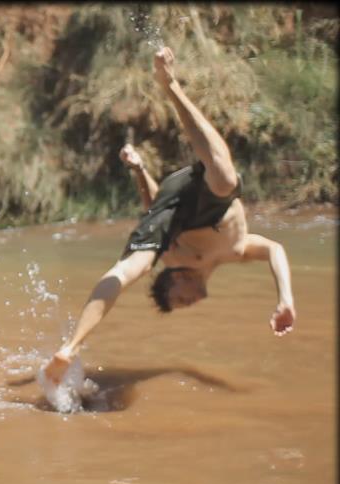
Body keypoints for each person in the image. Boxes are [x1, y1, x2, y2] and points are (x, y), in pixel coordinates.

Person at [37, 47, 296, 413]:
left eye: (181, 300)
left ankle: (170, 86)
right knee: (128, 268)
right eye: (185, 303)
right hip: (190, 204)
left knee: (224, 180)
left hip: (195, 194)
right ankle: (71, 346)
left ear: (175, 277)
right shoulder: (221, 253)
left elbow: (273, 249)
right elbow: (162, 211)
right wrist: (285, 299)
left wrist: (139, 169)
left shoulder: (185, 254)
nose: (190, 302)